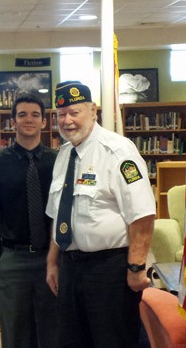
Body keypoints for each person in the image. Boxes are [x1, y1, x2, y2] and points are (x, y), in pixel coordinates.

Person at [45, 81, 154, 348]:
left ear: (93, 111)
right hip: (71, 267)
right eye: (61, 115)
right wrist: (52, 262)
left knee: (113, 340)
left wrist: (136, 268)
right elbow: (60, 215)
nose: (67, 121)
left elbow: (141, 215)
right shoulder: (63, 154)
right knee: (72, 340)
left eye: (74, 112)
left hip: (110, 269)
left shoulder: (118, 151)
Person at [0, 93, 58, 348]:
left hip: (51, 259)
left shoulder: (57, 161)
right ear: (12, 121)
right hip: (12, 259)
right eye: (22, 114)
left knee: (51, 329)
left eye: (35, 115)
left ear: (44, 122)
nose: (29, 120)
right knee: (14, 332)